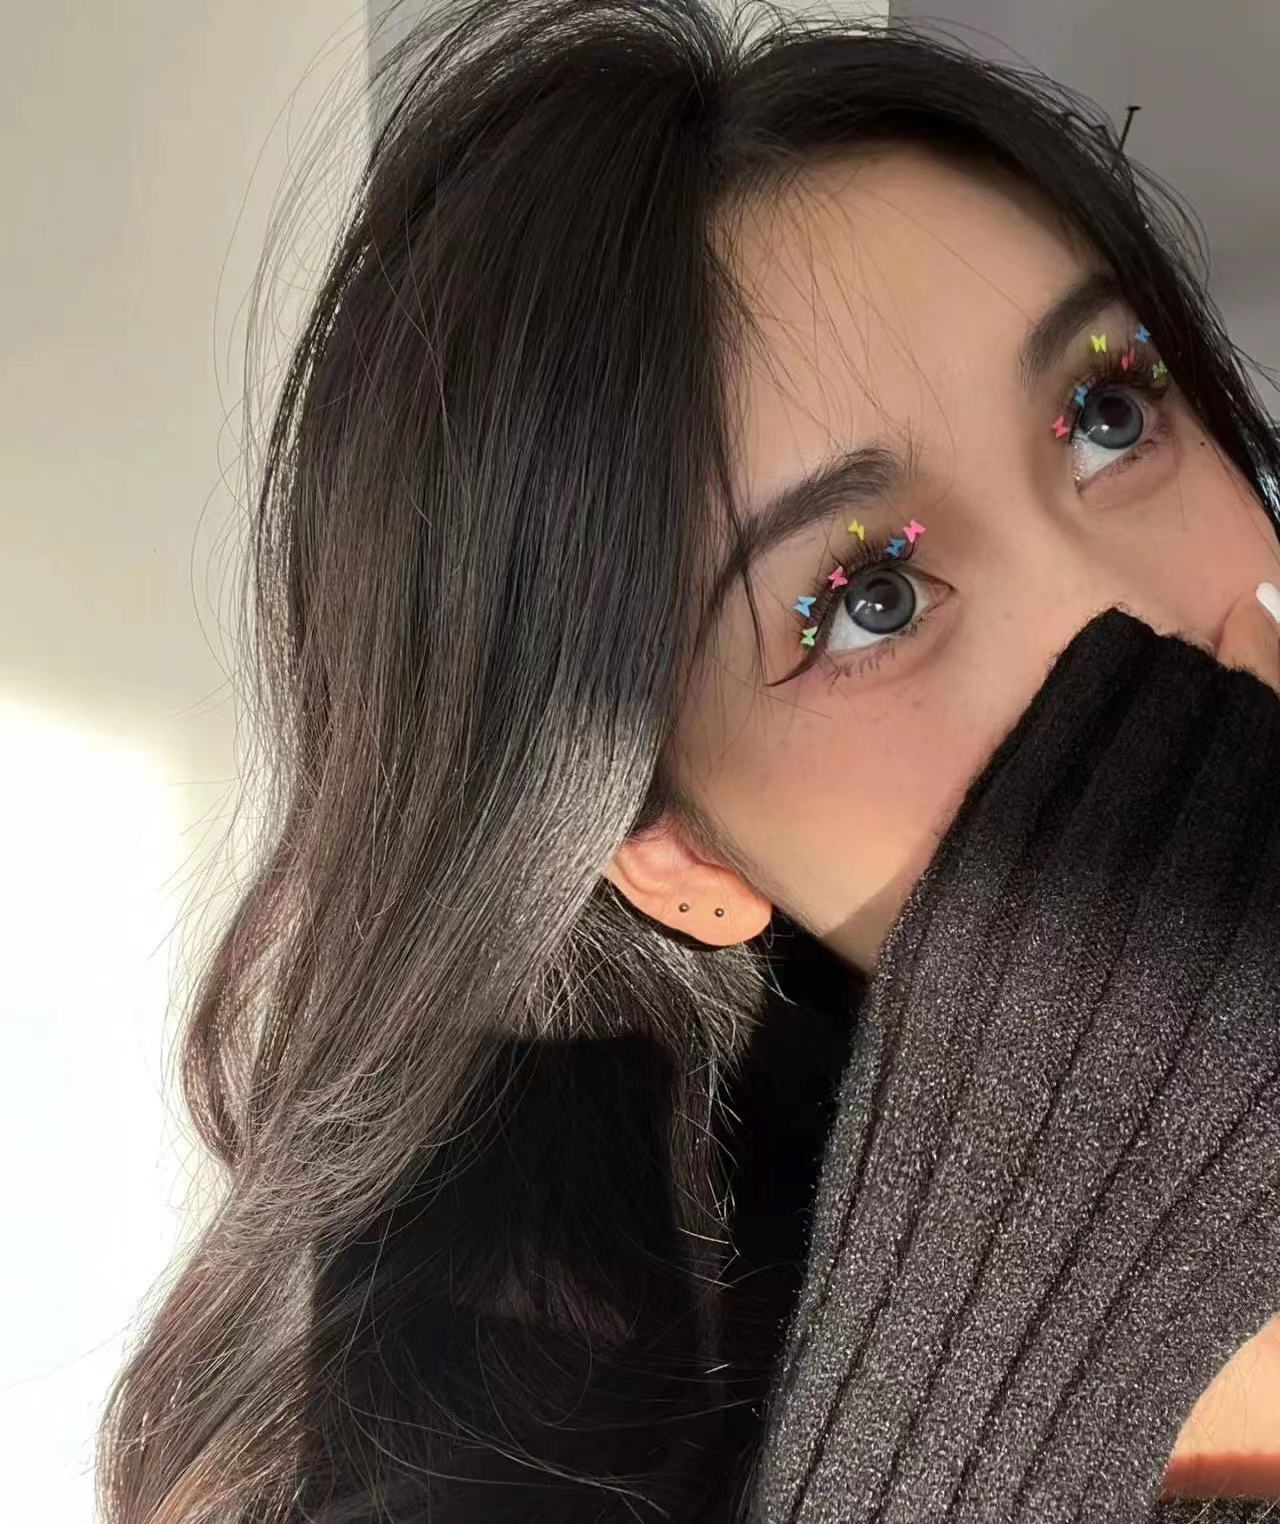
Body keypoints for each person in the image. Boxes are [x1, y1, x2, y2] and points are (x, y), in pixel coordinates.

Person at [95, 2, 1280, 1521]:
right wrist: (1012, 1330)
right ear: (682, 855)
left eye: (1108, 415)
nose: (1137, 621)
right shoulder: (529, 1430)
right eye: (869, 598)